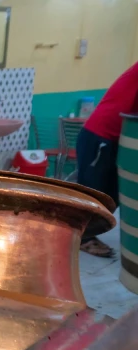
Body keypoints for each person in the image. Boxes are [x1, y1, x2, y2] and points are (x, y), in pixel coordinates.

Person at [76, 61, 138, 257]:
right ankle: (81, 238)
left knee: (113, 196)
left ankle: (85, 235)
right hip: (99, 137)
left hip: (116, 139)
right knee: (95, 195)